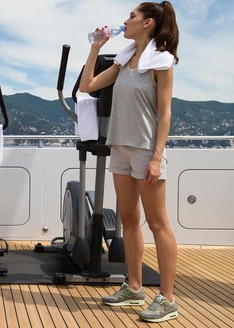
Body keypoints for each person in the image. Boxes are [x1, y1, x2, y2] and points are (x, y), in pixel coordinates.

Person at [79, 1, 179, 323]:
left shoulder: (161, 61)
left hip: (145, 149)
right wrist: (96, 47)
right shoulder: (124, 59)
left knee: (157, 223)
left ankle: (167, 298)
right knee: (128, 219)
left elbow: (165, 114)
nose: (126, 20)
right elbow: (87, 86)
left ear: (147, 23)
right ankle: (134, 287)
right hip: (119, 146)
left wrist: (156, 156)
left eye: (132, 16)